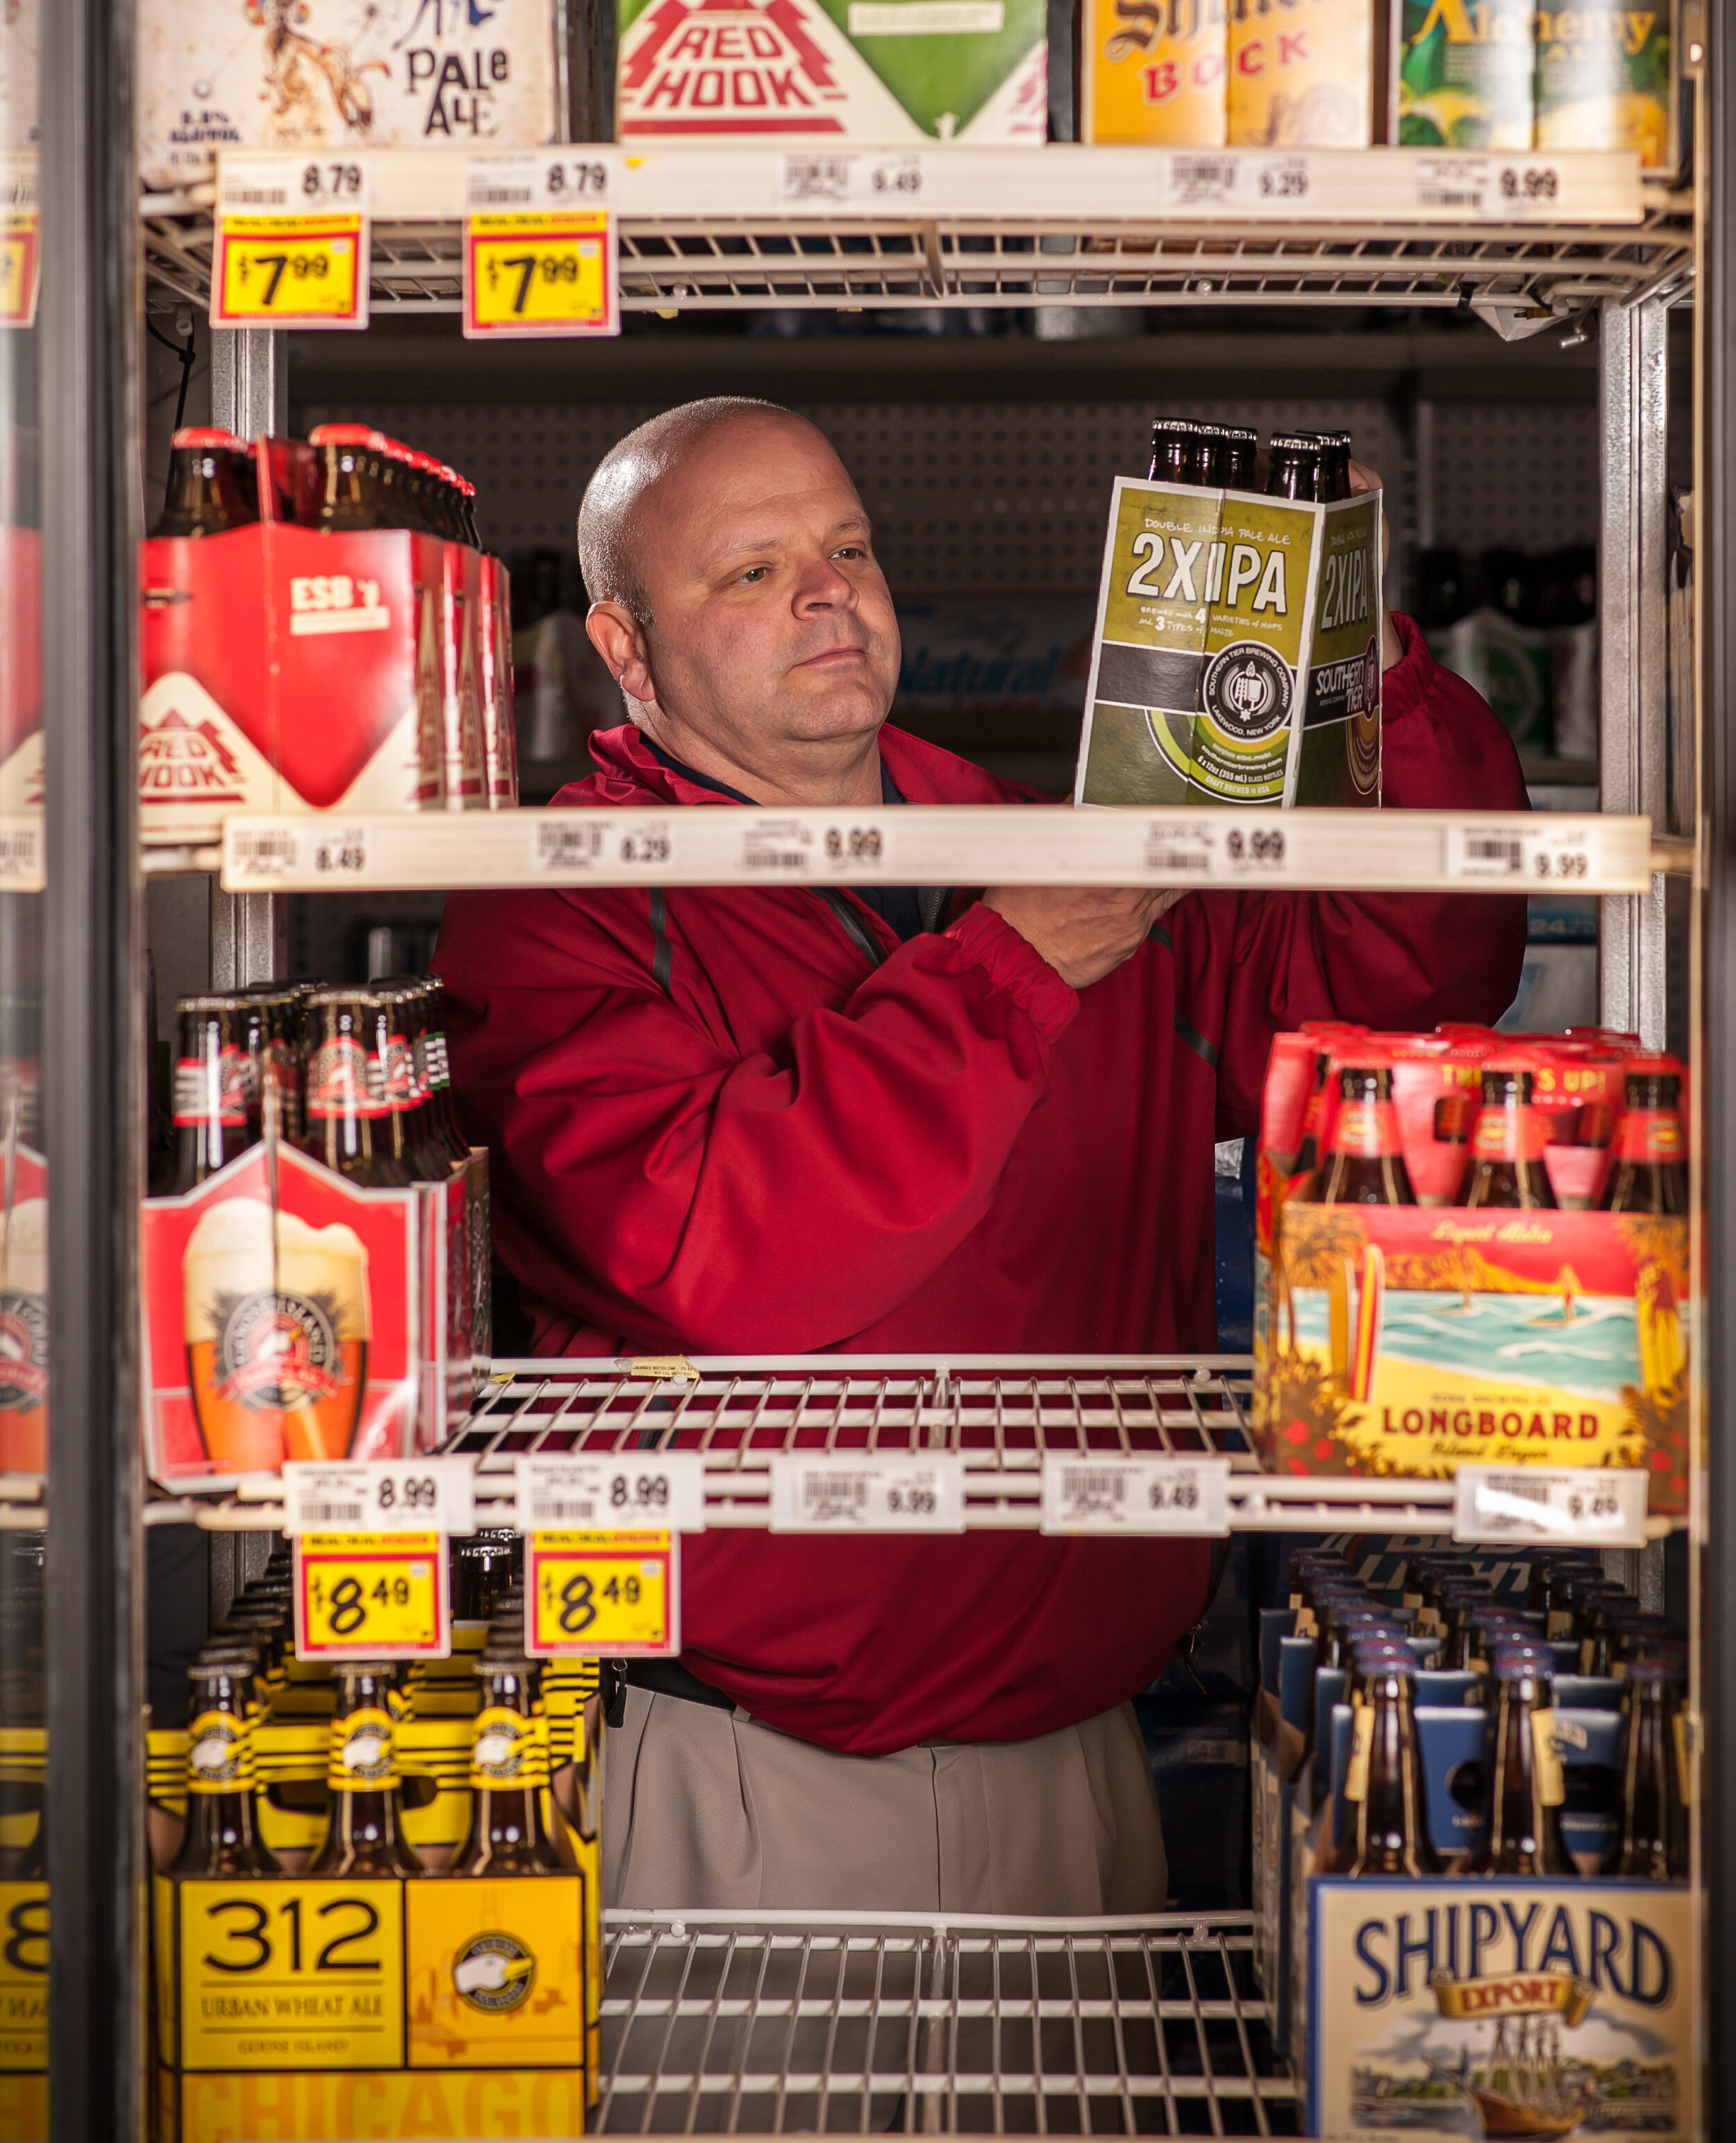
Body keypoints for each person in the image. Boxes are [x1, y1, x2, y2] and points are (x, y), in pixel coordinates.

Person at [436, 394, 1526, 1915]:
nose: (826, 590)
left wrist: (1351, 643)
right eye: (749, 571)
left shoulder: (1045, 845)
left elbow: (1404, 985)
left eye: (846, 545)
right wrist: (1006, 970)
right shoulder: (560, 902)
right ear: (623, 650)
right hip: (739, 1782)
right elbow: (702, 1253)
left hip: (1076, 1763)